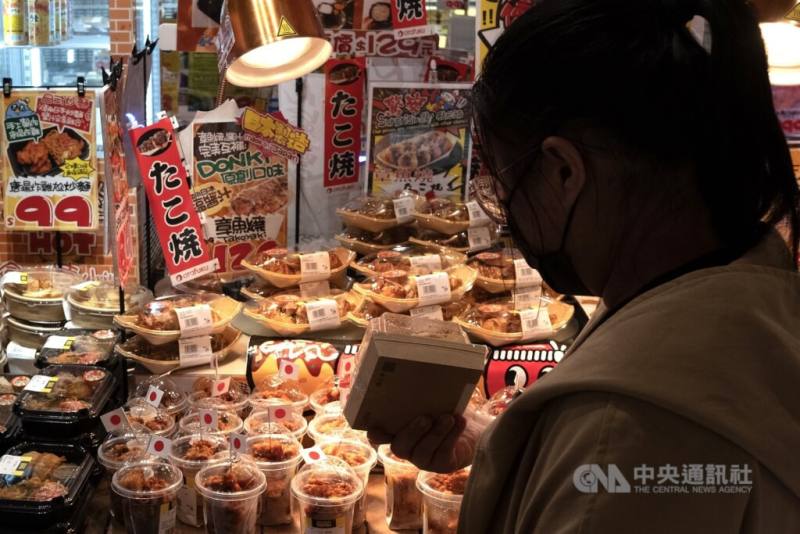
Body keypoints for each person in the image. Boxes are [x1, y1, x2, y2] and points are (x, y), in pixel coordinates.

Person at [368, 0, 800, 532]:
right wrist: (513, 448)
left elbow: (618, 474)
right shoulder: (745, 290)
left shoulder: (622, 430)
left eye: (504, 187)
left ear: (563, 172)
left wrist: (571, 445)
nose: (509, 214)